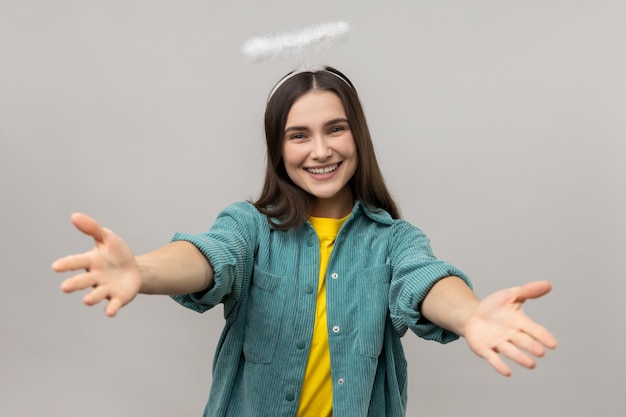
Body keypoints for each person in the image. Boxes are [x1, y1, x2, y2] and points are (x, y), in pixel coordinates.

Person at [52, 66, 558, 417]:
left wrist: (469, 315)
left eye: (335, 129)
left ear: (357, 135)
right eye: (299, 135)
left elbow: (424, 280)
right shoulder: (250, 227)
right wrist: (141, 271)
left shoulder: (393, 240)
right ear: (278, 148)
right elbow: (210, 256)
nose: (320, 150)